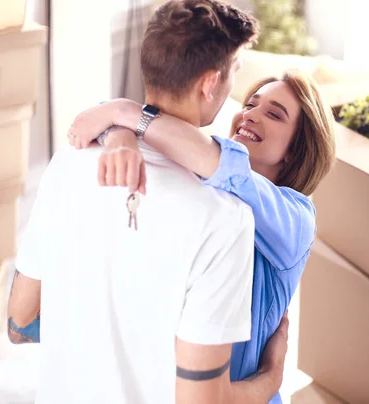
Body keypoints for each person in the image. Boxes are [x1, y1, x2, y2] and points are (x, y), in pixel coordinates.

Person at [7, 1, 290, 403]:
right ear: (210, 84)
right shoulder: (225, 219)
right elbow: (202, 401)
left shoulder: (68, 164)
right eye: (235, 75)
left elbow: (19, 323)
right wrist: (272, 377)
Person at [67, 53, 336, 404]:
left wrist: (122, 112)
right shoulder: (201, 173)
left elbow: (228, 167)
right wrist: (122, 134)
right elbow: (100, 123)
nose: (250, 114)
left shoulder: (296, 217)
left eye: (273, 114)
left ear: (295, 150)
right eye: (251, 104)